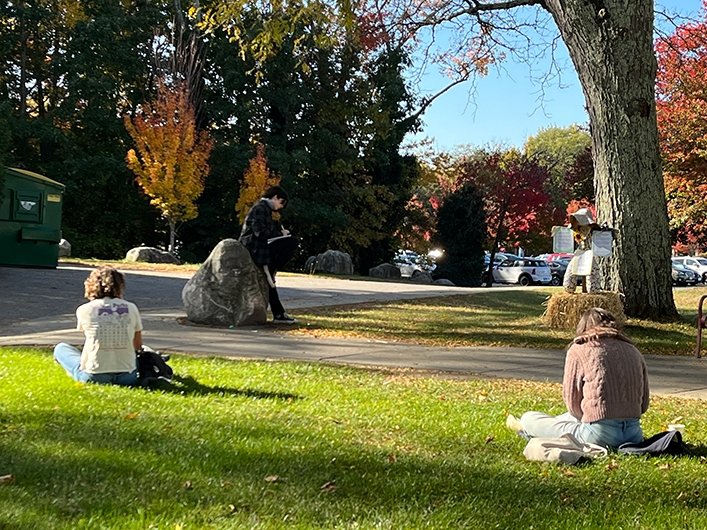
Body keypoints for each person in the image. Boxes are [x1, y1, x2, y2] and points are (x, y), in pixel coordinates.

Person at [507, 307, 650, 448]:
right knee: (563, 419)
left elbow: (572, 404)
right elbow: (643, 405)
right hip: (634, 434)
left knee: (529, 418)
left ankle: (530, 427)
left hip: (596, 434)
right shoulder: (634, 351)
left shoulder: (579, 349)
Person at [54, 266, 142, 386]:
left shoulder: (84, 309)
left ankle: (75, 371)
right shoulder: (131, 307)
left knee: (61, 348)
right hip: (127, 375)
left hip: (95, 374)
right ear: (120, 286)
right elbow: (137, 345)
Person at [239, 185, 299, 324]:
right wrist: (280, 235)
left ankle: (279, 314)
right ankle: (279, 313)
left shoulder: (263, 209)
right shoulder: (260, 209)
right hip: (255, 247)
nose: (280, 207)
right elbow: (260, 232)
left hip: (258, 246)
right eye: (281, 202)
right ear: (275, 197)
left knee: (269, 279)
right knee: (291, 243)